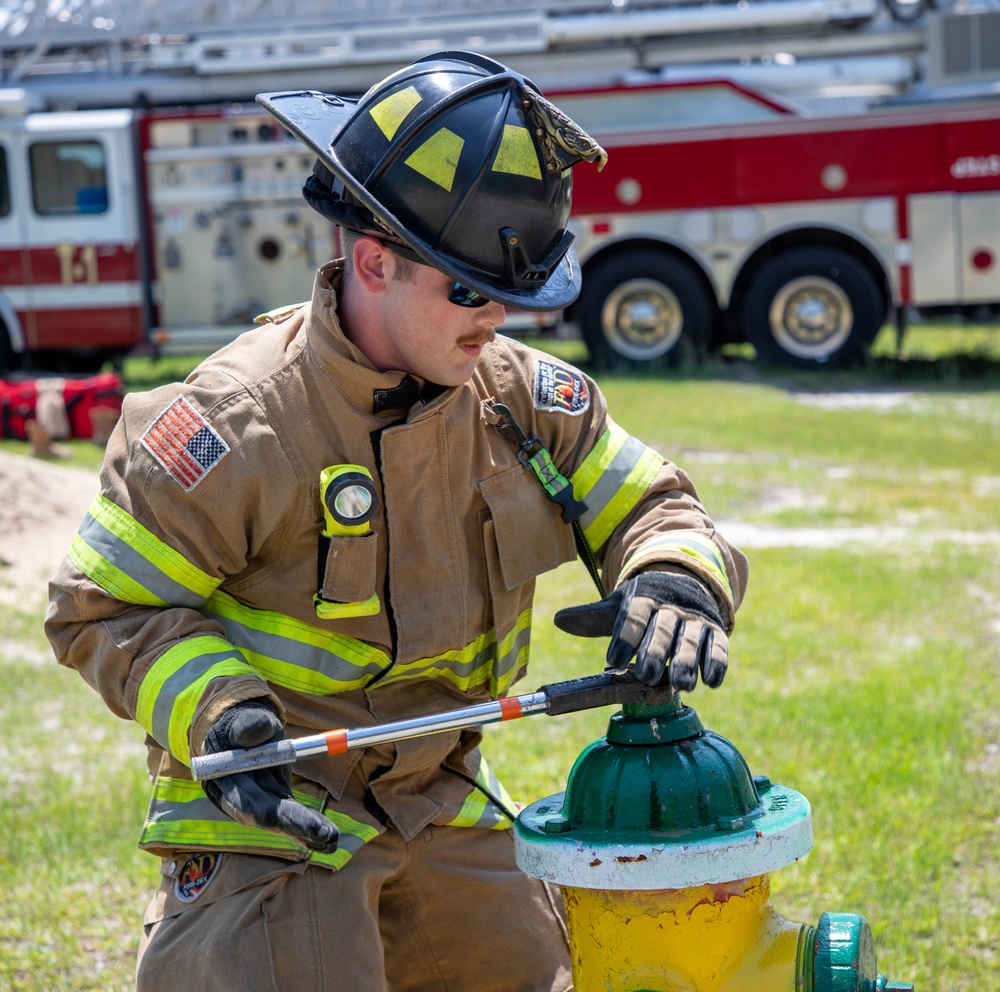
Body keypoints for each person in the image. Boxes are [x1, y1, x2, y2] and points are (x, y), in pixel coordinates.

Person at [45, 51, 748, 992]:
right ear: (372, 260)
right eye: (468, 288)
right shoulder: (237, 424)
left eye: (515, 291)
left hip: (440, 797)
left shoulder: (524, 400)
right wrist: (219, 715)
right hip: (272, 812)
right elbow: (100, 610)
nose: (496, 316)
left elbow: (655, 506)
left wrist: (676, 577)